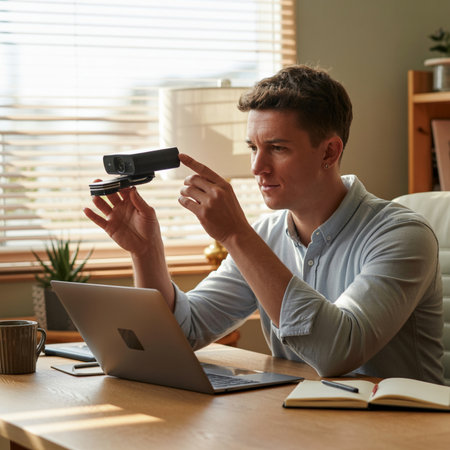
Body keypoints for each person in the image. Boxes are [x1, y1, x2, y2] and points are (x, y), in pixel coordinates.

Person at [84, 65, 444, 383]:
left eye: (277, 148)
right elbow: (180, 334)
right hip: (299, 424)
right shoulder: (266, 235)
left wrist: (235, 234)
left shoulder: (402, 235)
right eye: (253, 148)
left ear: (329, 152)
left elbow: (338, 353)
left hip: (400, 431)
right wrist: (146, 252)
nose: (258, 168)